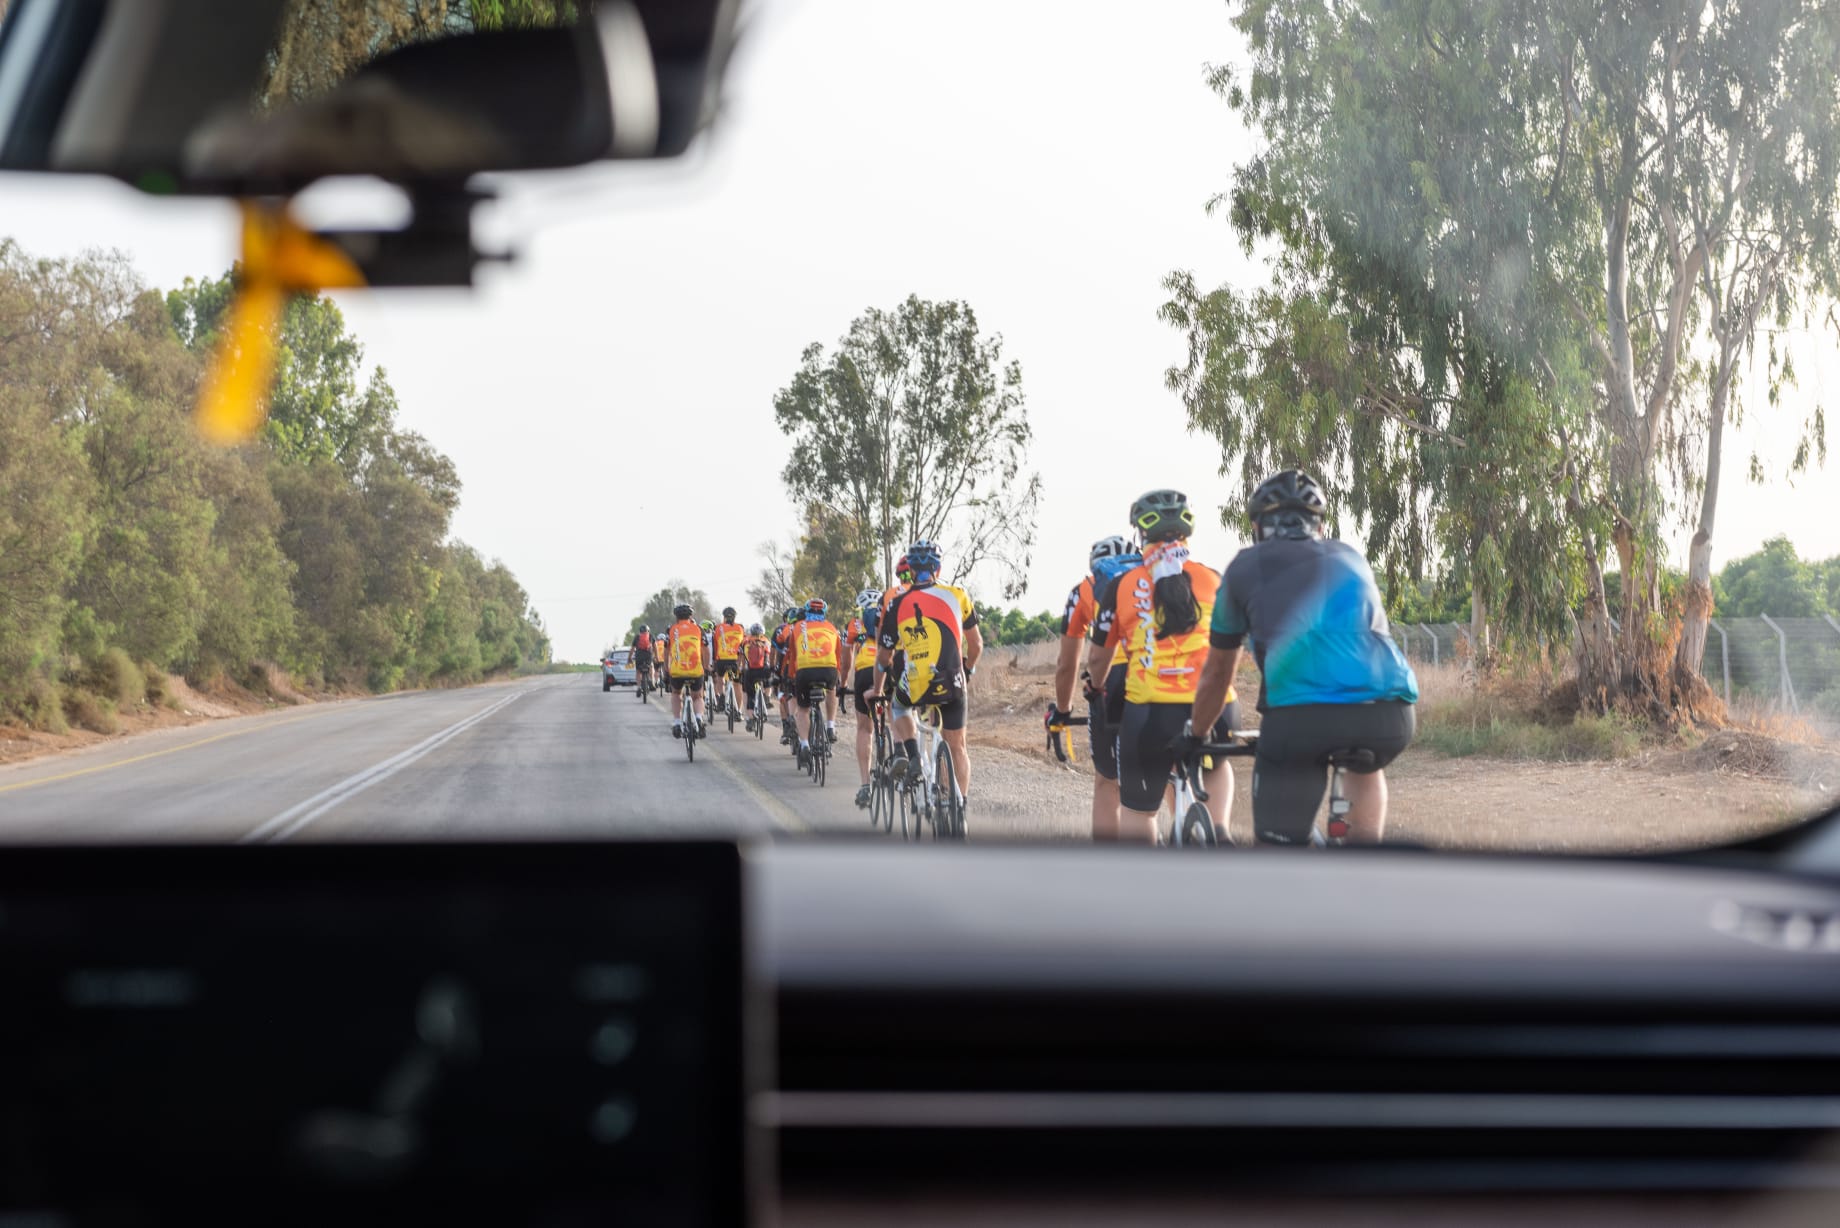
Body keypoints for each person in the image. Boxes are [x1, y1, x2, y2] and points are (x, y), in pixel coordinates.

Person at [1190, 470, 1418, 845]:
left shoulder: (1246, 566)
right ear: (1318, 524)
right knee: (1366, 764)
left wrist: (1197, 732)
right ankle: (1364, 863)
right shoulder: (1350, 556)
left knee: (1281, 850)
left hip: (1300, 719)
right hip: (1389, 716)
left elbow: (1218, 675)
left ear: (1258, 525)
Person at [1087, 490, 1238, 844]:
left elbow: (1098, 659)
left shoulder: (1122, 584)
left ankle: (1145, 887)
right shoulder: (1214, 579)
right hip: (1216, 707)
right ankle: (1219, 830)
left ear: (1141, 533)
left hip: (1149, 716)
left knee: (1140, 812)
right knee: (1217, 764)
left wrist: (1095, 687)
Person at [878, 540, 981, 816]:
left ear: (909, 570)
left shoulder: (896, 603)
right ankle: (960, 806)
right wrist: (967, 671)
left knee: (898, 706)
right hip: (953, 680)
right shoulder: (959, 595)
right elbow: (977, 645)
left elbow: (884, 656)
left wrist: (882, 675)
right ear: (938, 567)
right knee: (957, 745)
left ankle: (912, 755)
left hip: (915, 684)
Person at [1046, 536, 1136, 839]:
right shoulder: (1152, 578)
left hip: (1110, 678)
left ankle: (1107, 864)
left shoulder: (1084, 590)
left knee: (1107, 781)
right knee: (1170, 773)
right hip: (1157, 672)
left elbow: (1066, 665)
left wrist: (1062, 710)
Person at [787, 597, 845, 756]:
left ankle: (804, 744)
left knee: (803, 709)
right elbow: (838, 656)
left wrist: (792, 676)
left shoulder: (798, 627)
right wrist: (837, 676)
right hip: (828, 670)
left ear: (806, 612)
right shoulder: (832, 628)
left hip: (805, 671)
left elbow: (793, 655)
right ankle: (830, 726)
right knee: (832, 690)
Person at [848, 587, 885, 809]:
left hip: (863, 672)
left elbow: (845, 662)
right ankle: (900, 752)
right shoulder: (889, 616)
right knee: (897, 712)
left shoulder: (854, 625)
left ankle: (865, 786)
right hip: (886, 668)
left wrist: (843, 684)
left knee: (865, 729)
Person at [663, 603, 708, 740]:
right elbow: (706, 650)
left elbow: (666, 652)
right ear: (691, 616)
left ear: (676, 617)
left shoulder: (671, 630)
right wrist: (705, 667)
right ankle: (699, 718)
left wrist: (667, 669)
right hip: (695, 670)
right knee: (698, 696)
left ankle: (677, 722)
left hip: (677, 671)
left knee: (676, 694)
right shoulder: (698, 629)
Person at [772, 606, 802, 747]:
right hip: (810, 670)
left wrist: (775, 671)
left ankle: (787, 728)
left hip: (789, 670)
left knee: (784, 697)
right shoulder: (810, 628)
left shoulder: (784, 630)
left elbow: (778, 651)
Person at [711, 606, 747, 716]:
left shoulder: (718, 628)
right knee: (737, 684)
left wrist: (714, 660)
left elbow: (715, 646)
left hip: (722, 660)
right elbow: (743, 645)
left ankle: (721, 696)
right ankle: (739, 711)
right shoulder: (740, 628)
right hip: (734, 662)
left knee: (720, 678)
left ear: (724, 617)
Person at [740, 622, 774, 731]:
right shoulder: (766, 641)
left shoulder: (745, 641)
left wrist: (740, 668)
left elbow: (741, 658)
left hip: (750, 671)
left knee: (750, 696)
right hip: (763, 671)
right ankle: (767, 698)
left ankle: (750, 720)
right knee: (768, 680)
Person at [630, 623, 654, 690]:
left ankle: (638, 687)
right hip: (648, 656)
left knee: (638, 671)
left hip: (639, 657)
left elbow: (632, 649)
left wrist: (629, 658)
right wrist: (657, 657)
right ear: (648, 630)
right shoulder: (651, 636)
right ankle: (650, 680)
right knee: (651, 666)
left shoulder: (637, 637)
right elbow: (655, 648)